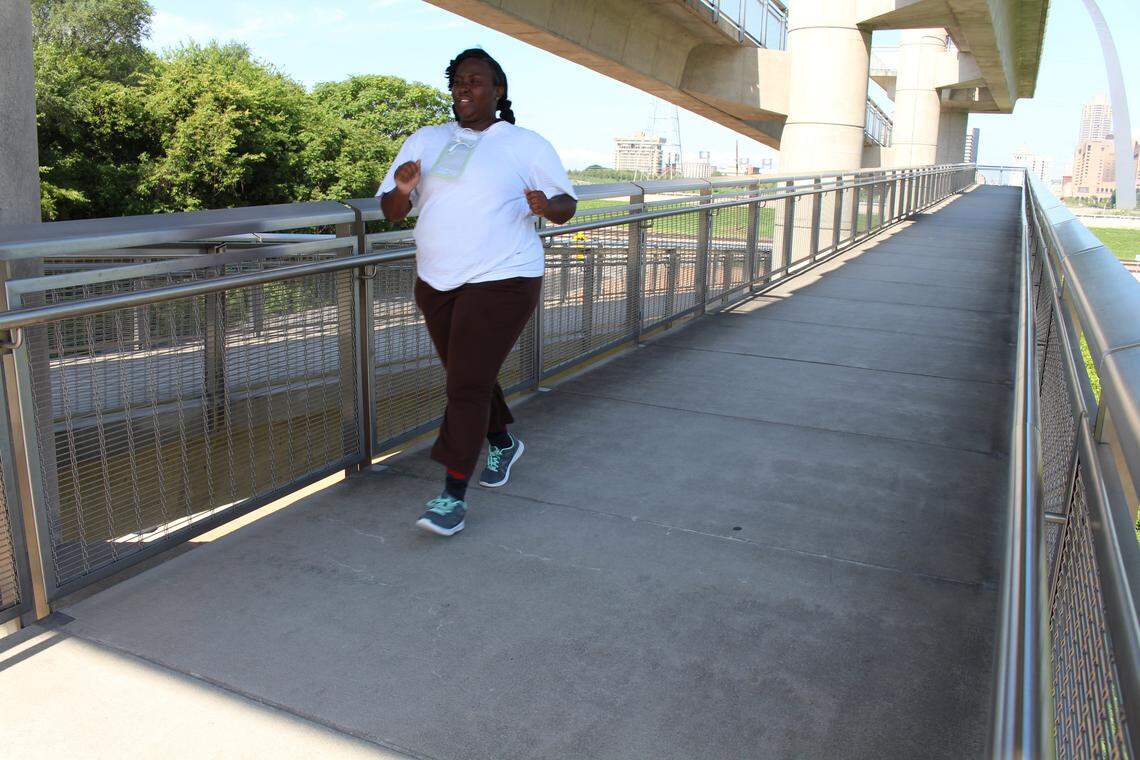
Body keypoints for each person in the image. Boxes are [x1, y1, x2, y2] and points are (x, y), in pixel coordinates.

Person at [378, 48, 577, 537]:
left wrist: (546, 204)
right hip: (437, 279)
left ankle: (452, 494)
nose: (465, 89)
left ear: (498, 90)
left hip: (505, 277)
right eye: (458, 81)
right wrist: (403, 189)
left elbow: (567, 205)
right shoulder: (426, 139)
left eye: (476, 81)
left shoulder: (525, 144)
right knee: (472, 375)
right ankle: (501, 439)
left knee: (465, 384)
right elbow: (391, 211)